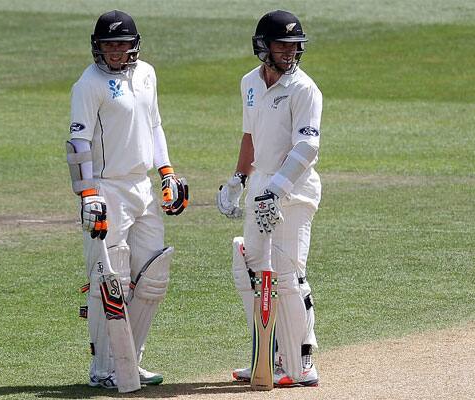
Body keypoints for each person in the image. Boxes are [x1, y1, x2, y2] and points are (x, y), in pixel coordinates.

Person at [65, 10, 189, 390]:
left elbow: (154, 125)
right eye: (108, 45)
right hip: (106, 190)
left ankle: (129, 362)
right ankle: (104, 369)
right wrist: (88, 195)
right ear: (97, 47)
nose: (115, 52)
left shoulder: (147, 74)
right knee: (110, 279)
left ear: (134, 46)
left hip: (143, 188)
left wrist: (166, 171)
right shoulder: (88, 85)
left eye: (122, 44)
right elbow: (77, 145)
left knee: (151, 277)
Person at [216, 9, 322, 387]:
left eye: (295, 46)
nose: (290, 52)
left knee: (288, 275)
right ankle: (268, 356)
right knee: (250, 268)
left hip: (294, 193)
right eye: (282, 45)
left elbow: (307, 146)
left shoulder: (304, 89)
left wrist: (275, 190)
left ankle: (302, 361)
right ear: (263, 47)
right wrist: (238, 181)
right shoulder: (249, 82)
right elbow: (250, 138)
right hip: (260, 187)